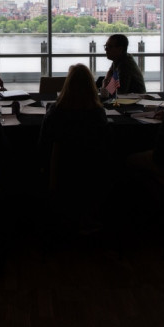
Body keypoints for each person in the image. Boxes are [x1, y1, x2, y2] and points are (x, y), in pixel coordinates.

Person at [39, 64, 110, 224]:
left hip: (61, 173)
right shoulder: (98, 114)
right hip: (92, 176)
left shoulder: (55, 113)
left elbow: (43, 147)